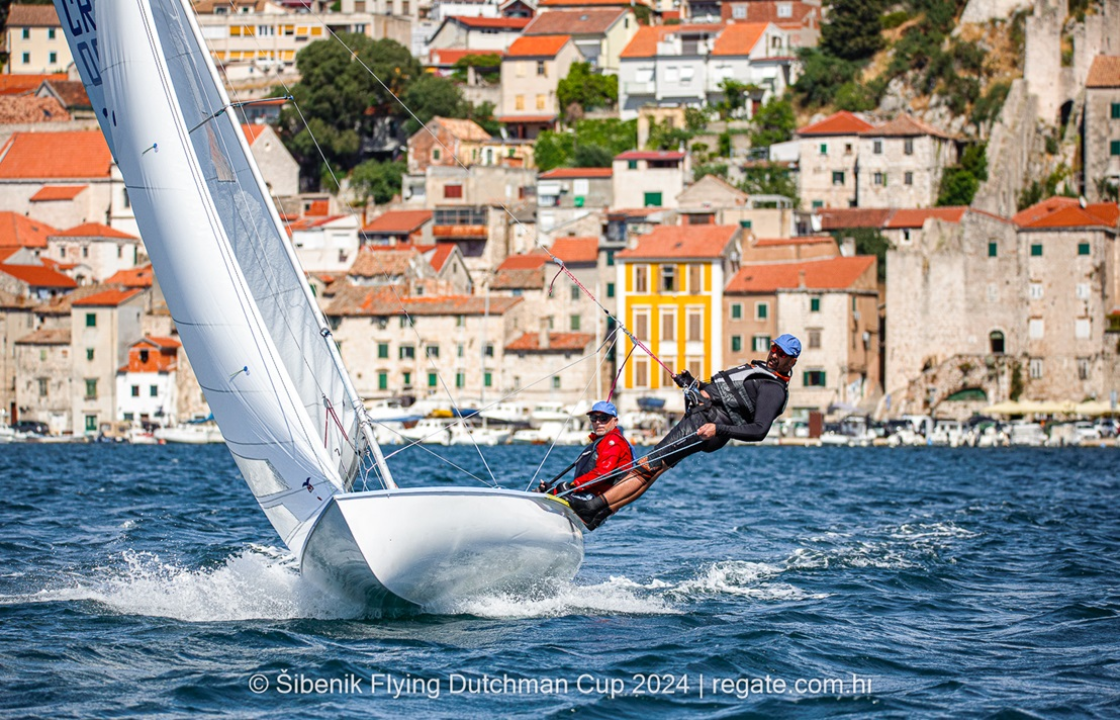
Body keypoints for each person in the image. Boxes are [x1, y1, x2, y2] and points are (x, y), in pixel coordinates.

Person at [567, 334, 802, 531]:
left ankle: (592, 508)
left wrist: (717, 429)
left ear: (791, 361)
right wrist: (693, 384)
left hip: (708, 425)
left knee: (647, 465)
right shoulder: (760, 370)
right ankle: (597, 514)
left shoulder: (774, 389)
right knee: (654, 469)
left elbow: (759, 431)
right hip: (705, 417)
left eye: (782, 354)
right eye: (774, 349)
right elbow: (724, 395)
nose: (774, 355)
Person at [536, 401, 633, 498]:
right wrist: (554, 490)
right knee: (555, 489)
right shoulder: (601, 441)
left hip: (596, 497)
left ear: (615, 421)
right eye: (594, 418)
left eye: (603, 418)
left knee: (562, 488)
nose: (598, 422)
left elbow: (603, 472)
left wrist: (573, 485)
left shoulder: (613, 440)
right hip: (588, 492)